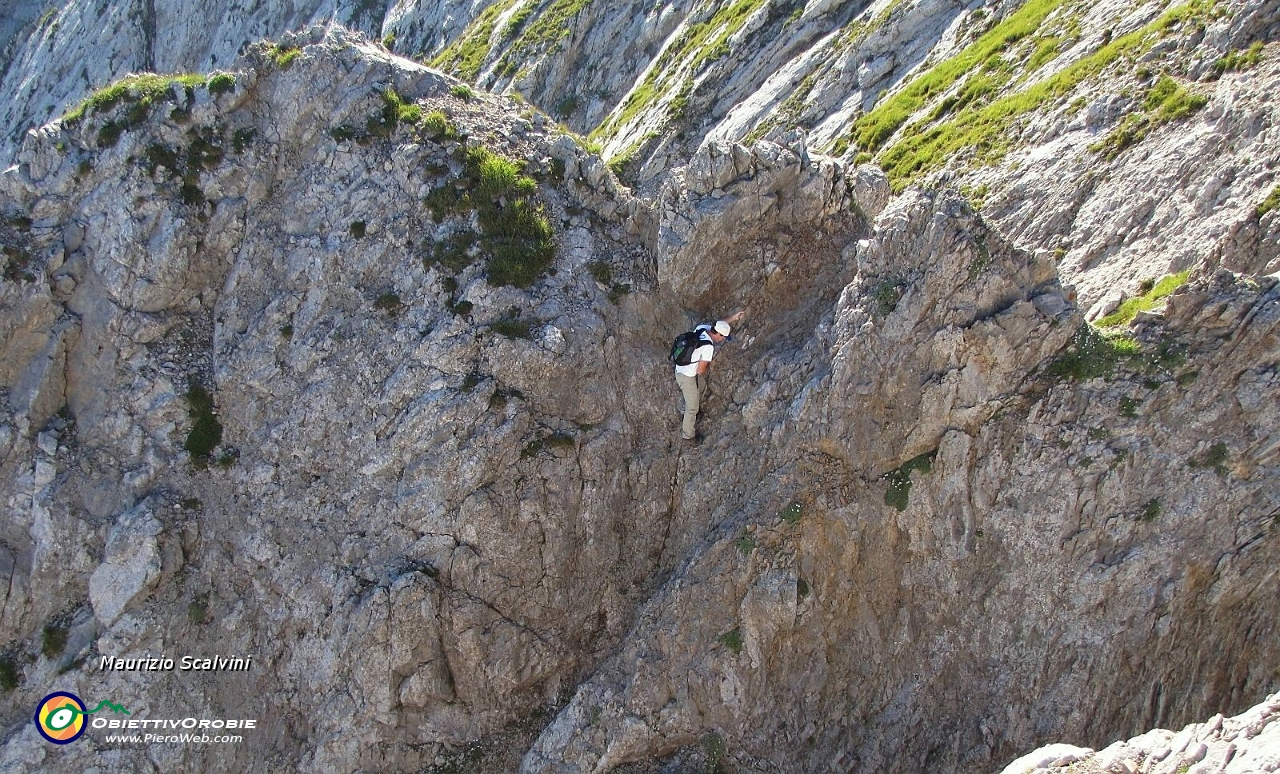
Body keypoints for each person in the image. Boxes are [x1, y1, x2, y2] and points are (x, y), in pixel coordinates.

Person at [674, 311, 744, 443]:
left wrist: (734, 317)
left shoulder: (702, 328)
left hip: (684, 369)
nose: (722, 340)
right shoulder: (708, 347)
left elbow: (721, 322)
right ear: (717, 334)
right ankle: (688, 435)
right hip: (686, 376)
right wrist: (709, 363)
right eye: (723, 337)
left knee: (702, 387)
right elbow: (701, 370)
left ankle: (689, 410)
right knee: (693, 406)